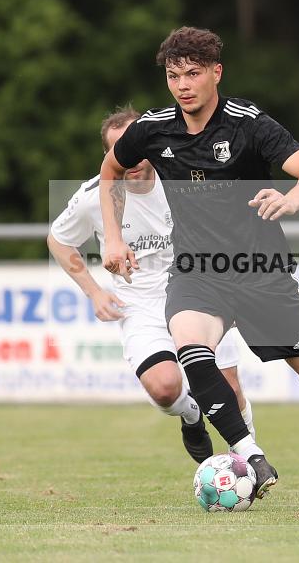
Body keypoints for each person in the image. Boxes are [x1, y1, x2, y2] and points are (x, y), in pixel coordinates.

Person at [98, 28, 299, 506]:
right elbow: (110, 171)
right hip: (197, 271)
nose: (183, 84)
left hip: (260, 269)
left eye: (193, 73)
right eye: (173, 75)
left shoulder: (248, 123)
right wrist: (114, 236)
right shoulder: (154, 128)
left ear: (216, 73)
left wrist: (289, 199)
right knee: (191, 349)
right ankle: (251, 457)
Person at [48, 106, 255, 464]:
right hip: (140, 307)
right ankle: (191, 415)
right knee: (163, 388)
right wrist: (94, 291)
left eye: (137, 147)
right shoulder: (93, 197)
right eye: (120, 151)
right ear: (109, 156)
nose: (132, 159)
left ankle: (249, 464)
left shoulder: (185, 177)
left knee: (230, 389)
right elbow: (58, 240)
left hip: (200, 294)